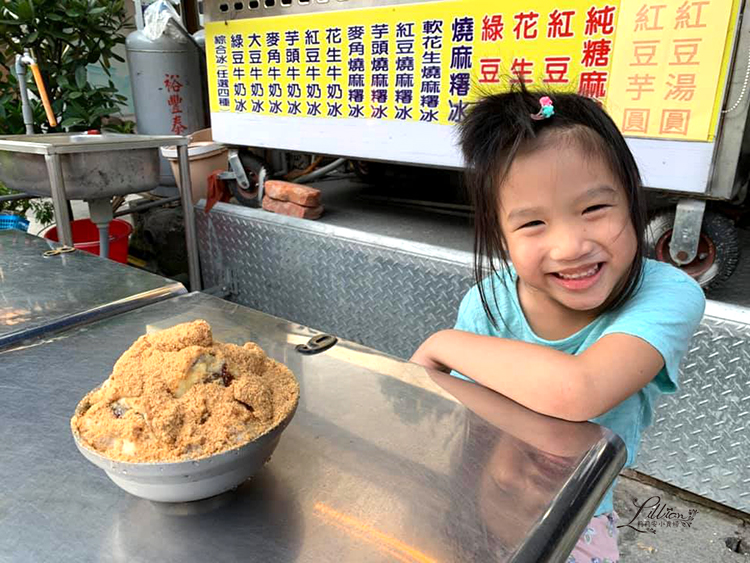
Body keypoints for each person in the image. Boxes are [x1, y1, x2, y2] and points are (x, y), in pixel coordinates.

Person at [410, 85, 706, 562]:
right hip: (485, 501)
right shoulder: (487, 304)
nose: (570, 246)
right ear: (500, 234)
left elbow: (579, 391)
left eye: (593, 209)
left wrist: (443, 342)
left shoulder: (667, 295)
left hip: (578, 518)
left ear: (632, 201)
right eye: (532, 224)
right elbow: (465, 424)